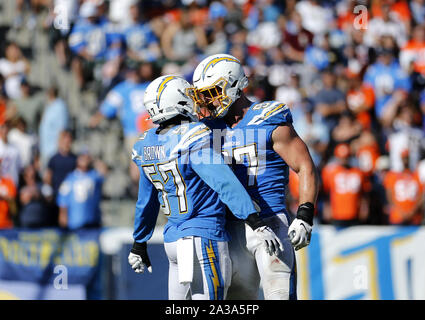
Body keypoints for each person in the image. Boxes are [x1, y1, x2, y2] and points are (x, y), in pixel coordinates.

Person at [128, 75, 282, 300]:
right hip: (203, 236)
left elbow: (146, 202)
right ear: (178, 101)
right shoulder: (191, 136)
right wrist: (255, 221)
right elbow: (223, 181)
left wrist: (139, 243)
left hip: (172, 240)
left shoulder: (146, 143)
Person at [191, 54, 319, 300]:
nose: (207, 100)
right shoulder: (205, 128)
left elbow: (304, 165)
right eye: (203, 94)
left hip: (270, 219)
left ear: (234, 84)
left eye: (213, 91)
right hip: (227, 227)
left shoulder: (267, 117)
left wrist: (305, 215)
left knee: (280, 296)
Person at [321, 143, 370, 227]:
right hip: (337, 213)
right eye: (342, 157)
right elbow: (326, 193)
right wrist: (327, 208)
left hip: (355, 212)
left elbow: (364, 193)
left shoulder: (358, 172)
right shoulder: (330, 172)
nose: (344, 160)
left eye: (346, 157)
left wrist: (364, 208)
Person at [57, 150, 107, 230]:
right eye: (82, 157)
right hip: (75, 224)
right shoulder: (70, 178)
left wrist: (94, 160)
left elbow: (104, 171)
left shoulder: (94, 175)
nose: (84, 160)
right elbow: (63, 201)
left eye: (86, 158)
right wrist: (63, 219)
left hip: (93, 222)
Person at [383, 149, 424, 225]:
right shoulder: (393, 176)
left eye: (407, 158)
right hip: (398, 217)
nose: (405, 160)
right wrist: (400, 211)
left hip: (414, 217)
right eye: (404, 158)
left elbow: (421, 194)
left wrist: (413, 211)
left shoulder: (416, 175)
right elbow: (390, 195)